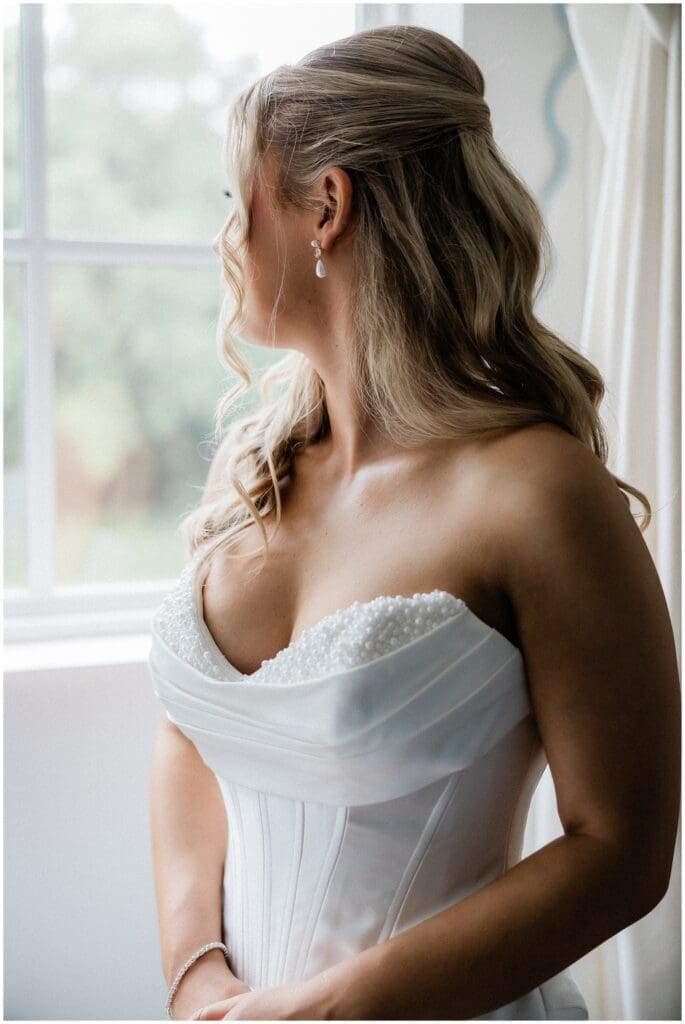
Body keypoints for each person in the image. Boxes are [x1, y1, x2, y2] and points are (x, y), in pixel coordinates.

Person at [148, 24, 680, 1021]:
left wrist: (326, 1009)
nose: (227, 237)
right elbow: (189, 730)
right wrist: (197, 971)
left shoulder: (533, 492)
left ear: (327, 206)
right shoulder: (255, 470)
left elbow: (621, 850)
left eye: (238, 201)